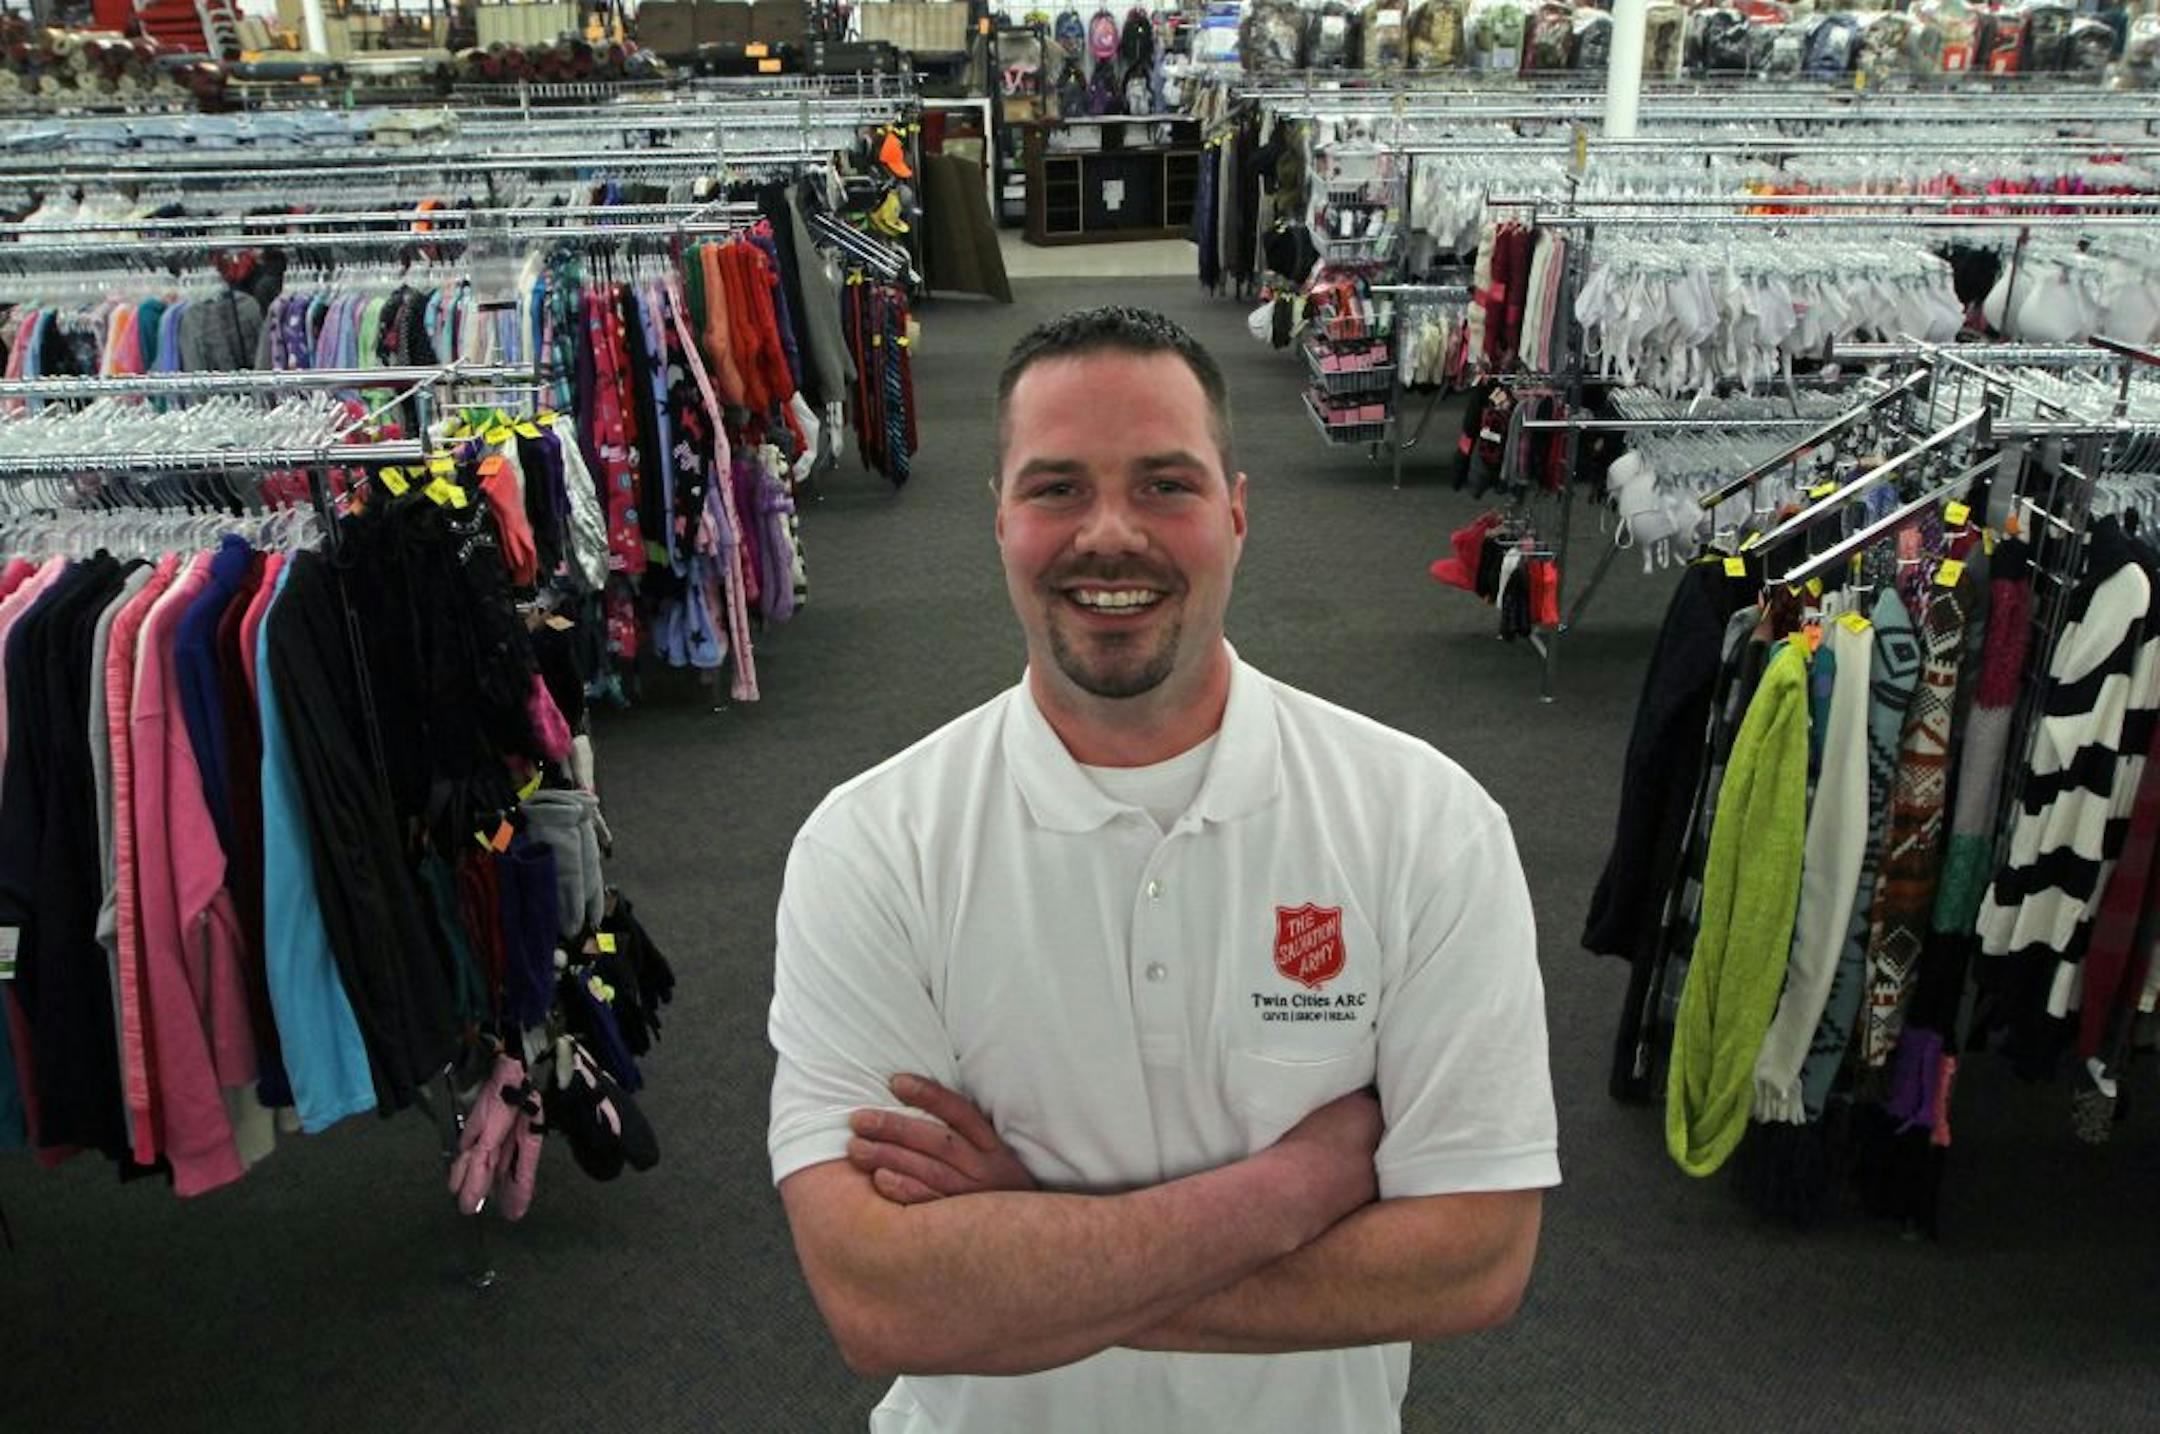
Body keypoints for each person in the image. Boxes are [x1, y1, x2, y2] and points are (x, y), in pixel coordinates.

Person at [767, 306, 1559, 1433]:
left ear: (1236, 514)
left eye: (1164, 486)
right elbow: (879, 1297)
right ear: (997, 518)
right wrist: (1295, 1189)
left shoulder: (1424, 823)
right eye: (1055, 490)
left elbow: (1471, 1262)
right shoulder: (872, 847)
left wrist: (1019, 1258)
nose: (1110, 534)